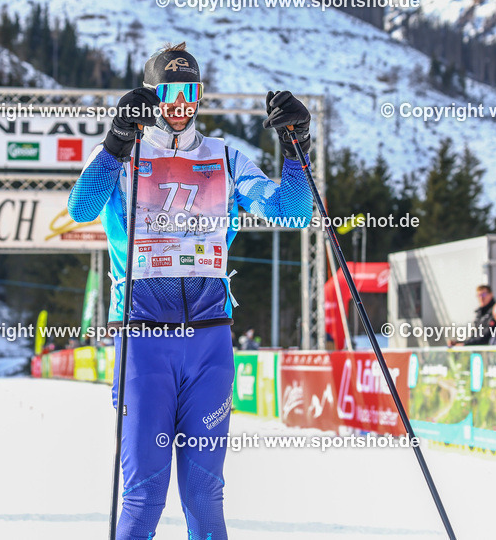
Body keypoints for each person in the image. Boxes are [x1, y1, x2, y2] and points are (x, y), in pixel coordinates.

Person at [67, 42, 313, 540]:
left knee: (204, 494)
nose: (181, 105)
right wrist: (116, 140)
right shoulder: (123, 156)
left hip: (209, 341)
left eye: (191, 93)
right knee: (143, 496)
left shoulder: (225, 158)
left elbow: (292, 213)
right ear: (151, 95)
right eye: (170, 93)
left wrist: (297, 147)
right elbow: (81, 209)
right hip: (143, 338)